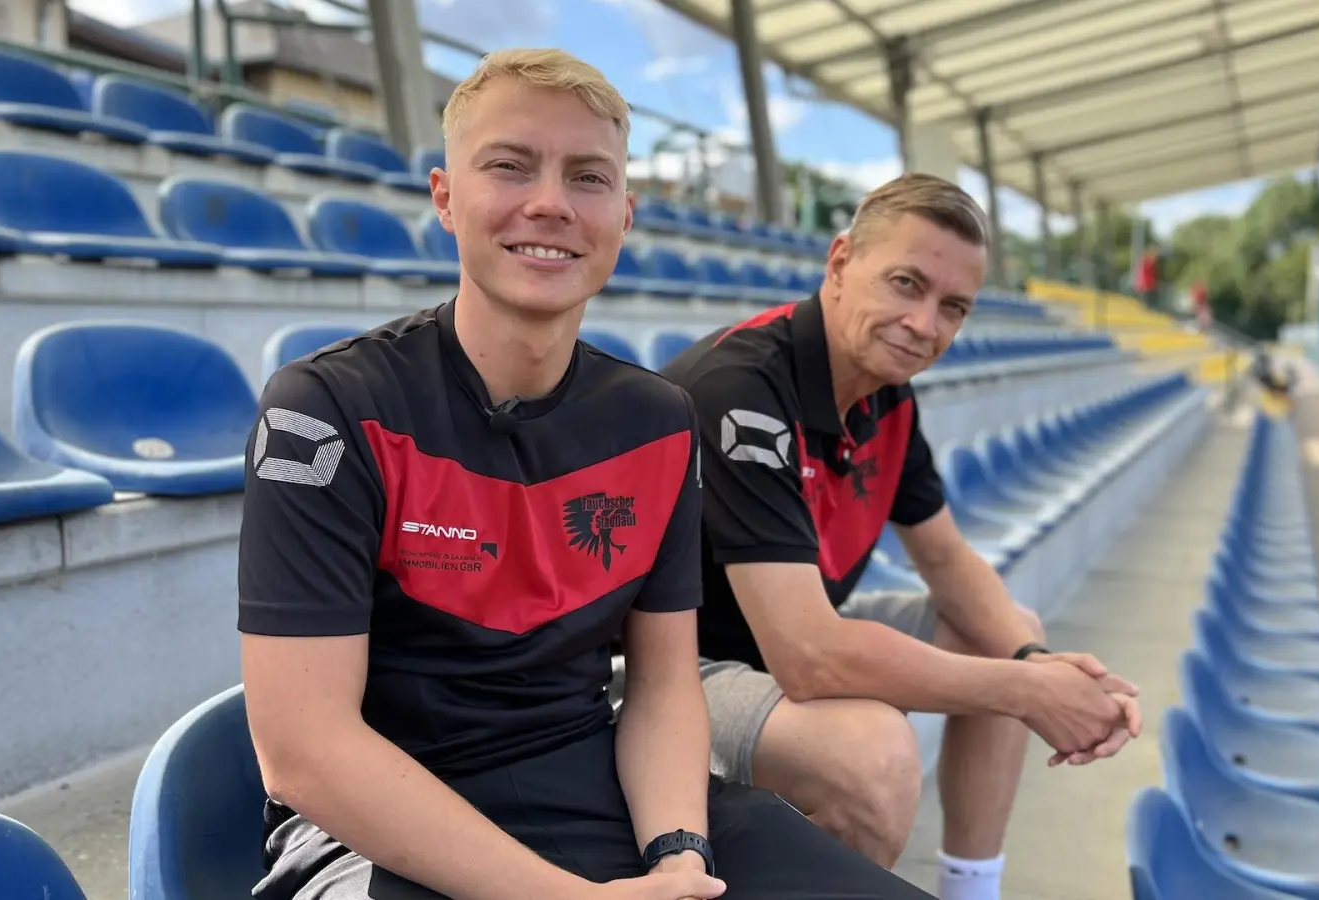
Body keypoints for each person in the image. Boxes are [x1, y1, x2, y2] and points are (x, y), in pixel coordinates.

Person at [236, 48, 932, 900]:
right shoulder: (327, 407)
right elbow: (304, 752)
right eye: (509, 165)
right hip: (376, 833)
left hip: (593, 782)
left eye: (588, 177)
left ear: (625, 215)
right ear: (445, 198)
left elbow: (665, 687)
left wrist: (680, 852)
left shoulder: (656, 420)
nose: (551, 203)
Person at [656, 173, 1141, 900]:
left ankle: (972, 890)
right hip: (664, 671)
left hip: (771, 641)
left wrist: (1038, 662)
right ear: (841, 261)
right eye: (906, 284)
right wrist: (1030, 690)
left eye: (953, 307)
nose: (925, 324)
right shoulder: (741, 387)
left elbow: (944, 554)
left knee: (1005, 632)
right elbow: (808, 657)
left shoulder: (887, 394)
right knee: (873, 756)